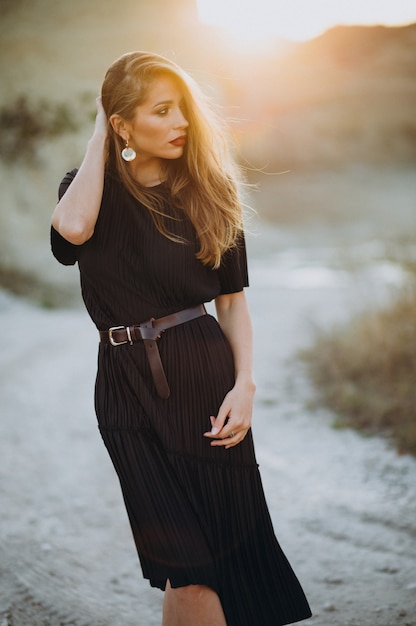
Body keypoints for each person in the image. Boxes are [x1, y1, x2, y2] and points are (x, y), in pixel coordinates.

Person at [51, 51, 311, 626]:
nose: (180, 123)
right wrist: (100, 130)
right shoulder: (86, 192)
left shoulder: (209, 191)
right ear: (122, 124)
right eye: (162, 111)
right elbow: (72, 231)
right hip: (120, 388)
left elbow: (233, 302)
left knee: (209, 562)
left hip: (200, 378)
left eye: (183, 110)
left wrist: (245, 384)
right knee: (180, 565)